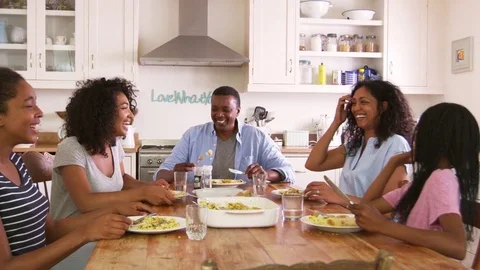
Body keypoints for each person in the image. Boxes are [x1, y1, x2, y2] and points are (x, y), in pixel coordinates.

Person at [0, 67, 153, 269]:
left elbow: (52, 229)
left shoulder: (15, 162)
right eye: (29, 106)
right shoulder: (70, 147)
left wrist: (104, 218)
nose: (39, 113)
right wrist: (85, 233)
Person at [350, 102, 478, 260]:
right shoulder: (421, 183)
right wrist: (393, 163)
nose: (415, 137)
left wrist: (384, 226)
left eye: (421, 130)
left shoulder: (442, 178)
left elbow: (457, 246)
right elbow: (365, 208)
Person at [50, 78, 174, 220]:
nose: (131, 115)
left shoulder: (112, 144)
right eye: (124, 108)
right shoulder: (71, 148)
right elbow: (86, 202)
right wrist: (143, 192)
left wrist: (149, 186)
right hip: (76, 234)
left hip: (106, 225)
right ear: (103, 112)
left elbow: (121, 179)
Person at [305, 80, 415, 205]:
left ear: (383, 107)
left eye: (364, 102)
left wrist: (339, 197)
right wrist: (336, 122)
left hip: (372, 223)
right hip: (346, 219)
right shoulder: (356, 145)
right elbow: (313, 164)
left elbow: (389, 204)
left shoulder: (396, 144)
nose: (356, 108)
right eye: (353, 103)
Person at [155, 86, 294, 182]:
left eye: (226, 110)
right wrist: (175, 173)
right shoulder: (193, 135)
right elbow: (159, 174)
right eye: (214, 109)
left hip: (244, 204)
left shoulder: (256, 137)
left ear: (237, 111)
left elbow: (288, 171)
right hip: (200, 202)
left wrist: (266, 174)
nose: (219, 114)